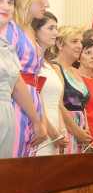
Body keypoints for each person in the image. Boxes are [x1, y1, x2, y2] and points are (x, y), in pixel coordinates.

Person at [2, 0, 50, 156]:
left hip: (31, 110)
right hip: (15, 107)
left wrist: (41, 120)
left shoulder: (28, 31)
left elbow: (35, 84)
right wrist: (36, 119)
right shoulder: (10, 29)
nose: (47, 3)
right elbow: (12, 78)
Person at [33, 12, 69, 155]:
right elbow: (34, 100)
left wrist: (62, 130)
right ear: (35, 30)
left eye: (56, 28)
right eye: (50, 28)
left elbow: (56, 104)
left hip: (54, 132)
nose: (55, 33)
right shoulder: (31, 62)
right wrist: (52, 132)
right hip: (40, 129)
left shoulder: (49, 64)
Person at [54, 26, 93, 153]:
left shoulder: (75, 71)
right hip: (65, 130)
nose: (79, 46)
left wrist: (84, 130)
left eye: (81, 42)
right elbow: (58, 105)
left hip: (80, 132)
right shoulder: (56, 67)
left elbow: (83, 104)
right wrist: (76, 131)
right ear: (59, 44)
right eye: (74, 41)